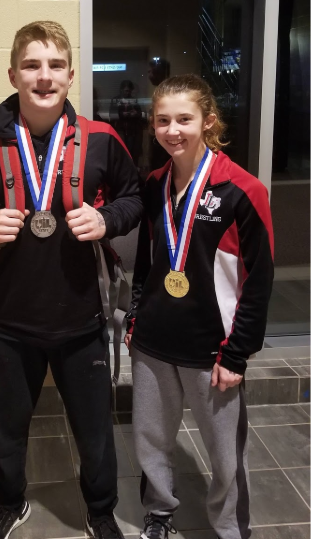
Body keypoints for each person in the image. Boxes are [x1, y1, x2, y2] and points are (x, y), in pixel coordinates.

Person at [0, 20, 142, 539]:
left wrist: (107, 221)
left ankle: (100, 511)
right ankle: (10, 504)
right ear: (13, 74)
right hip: (12, 319)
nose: (44, 76)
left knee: (95, 431)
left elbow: (133, 198)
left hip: (83, 316)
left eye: (55, 65)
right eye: (32, 65)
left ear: (71, 74)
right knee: (7, 430)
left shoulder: (101, 139)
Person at [124, 74, 274, 539]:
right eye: (163, 120)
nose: (173, 130)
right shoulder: (153, 184)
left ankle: (229, 528)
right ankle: (159, 514)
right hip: (152, 344)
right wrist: (134, 315)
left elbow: (259, 280)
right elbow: (148, 260)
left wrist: (237, 353)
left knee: (226, 454)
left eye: (184, 119)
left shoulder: (242, 190)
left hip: (213, 351)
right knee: (151, 442)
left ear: (207, 121)